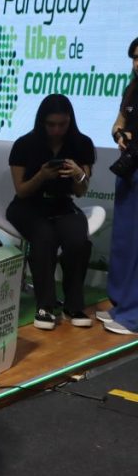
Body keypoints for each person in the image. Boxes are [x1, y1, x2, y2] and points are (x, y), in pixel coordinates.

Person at [6, 94, 95, 331]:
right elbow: (22, 191)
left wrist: (78, 174)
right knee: (44, 237)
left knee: (78, 242)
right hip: (27, 206)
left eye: (62, 124)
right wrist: (42, 176)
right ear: (42, 121)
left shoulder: (82, 144)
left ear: (70, 120)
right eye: (51, 124)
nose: (56, 130)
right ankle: (44, 306)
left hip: (62, 204)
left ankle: (73, 306)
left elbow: (81, 191)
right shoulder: (24, 145)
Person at [102, 43, 138, 336]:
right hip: (128, 169)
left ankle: (134, 315)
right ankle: (121, 304)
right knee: (124, 241)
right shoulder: (132, 89)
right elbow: (119, 122)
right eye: (136, 58)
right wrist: (120, 135)